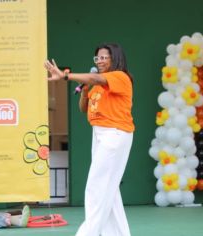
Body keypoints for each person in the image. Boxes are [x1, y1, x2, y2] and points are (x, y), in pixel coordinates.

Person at [44, 43, 135, 236]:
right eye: (97, 58)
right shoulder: (96, 86)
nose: (100, 61)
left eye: (104, 57)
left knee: (97, 186)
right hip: (100, 133)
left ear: (115, 58)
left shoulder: (119, 77)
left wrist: (65, 76)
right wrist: (85, 91)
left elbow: (95, 77)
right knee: (109, 189)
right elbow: (84, 108)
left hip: (114, 133)